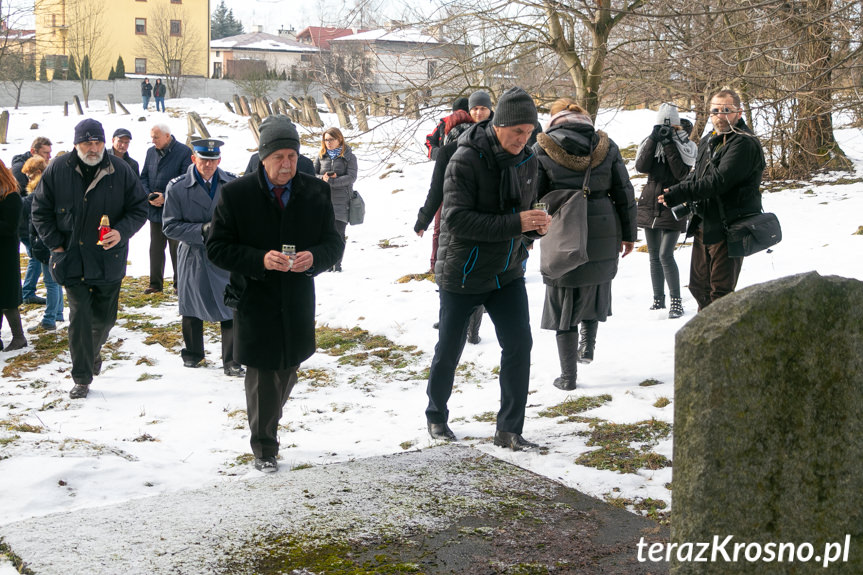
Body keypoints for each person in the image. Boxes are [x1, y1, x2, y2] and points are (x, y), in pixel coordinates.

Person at [207, 115, 343, 473]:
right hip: (255, 297)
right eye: (280, 157)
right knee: (263, 373)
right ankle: (264, 445)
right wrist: (259, 259)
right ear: (263, 157)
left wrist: (315, 257)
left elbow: (334, 243)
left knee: (289, 367)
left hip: (297, 296)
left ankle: (268, 424)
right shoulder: (236, 195)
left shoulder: (315, 191)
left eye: (293, 157)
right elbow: (217, 248)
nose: (287, 165)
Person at [425, 87, 550, 451]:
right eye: (517, 132)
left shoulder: (529, 159)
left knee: (519, 345)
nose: (523, 139)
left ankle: (509, 428)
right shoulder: (465, 158)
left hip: (507, 272)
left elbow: (526, 210)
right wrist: (517, 222)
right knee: (449, 348)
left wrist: (535, 228)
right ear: (499, 124)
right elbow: (457, 220)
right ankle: (436, 415)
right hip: (462, 272)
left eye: (529, 132)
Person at [32, 119, 148, 398]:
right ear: (76, 144)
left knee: (105, 320)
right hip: (71, 259)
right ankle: (82, 377)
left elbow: (139, 207)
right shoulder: (58, 168)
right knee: (80, 319)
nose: (93, 148)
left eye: (97, 142)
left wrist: (121, 232)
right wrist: (56, 246)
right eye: (87, 142)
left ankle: (93, 351)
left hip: (108, 259)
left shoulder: (119, 170)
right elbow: (40, 210)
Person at [534, 98, 636, 391]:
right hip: (604, 227)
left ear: (555, 119)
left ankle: (568, 377)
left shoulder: (542, 146)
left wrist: (535, 229)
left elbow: (534, 194)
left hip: (563, 229)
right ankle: (587, 347)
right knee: (594, 287)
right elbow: (624, 193)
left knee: (564, 300)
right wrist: (628, 234)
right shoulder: (607, 145)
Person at [659, 89, 765, 311]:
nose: (720, 115)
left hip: (729, 227)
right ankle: (702, 339)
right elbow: (697, 176)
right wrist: (674, 191)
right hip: (703, 223)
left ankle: (719, 343)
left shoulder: (744, 143)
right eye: (715, 111)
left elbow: (718, 182)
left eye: (726, 110)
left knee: (721, 294)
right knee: (699, 288)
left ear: (739, 112)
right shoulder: (709, 140)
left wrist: (679, 193)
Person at [162, 139, 244, 377]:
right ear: (193, 159)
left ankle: (232, 360)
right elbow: (170, 227)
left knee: (230, 305)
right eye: (203, 160)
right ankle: (193, 354)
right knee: (191, 305)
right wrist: (201, 230)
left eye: (212, 161)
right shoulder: (176, 187)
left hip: (225, 255)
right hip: (193, 254)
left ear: (219, 160)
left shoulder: (232, 184)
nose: (208, 165)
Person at [414, 103, 480, 339]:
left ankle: (452, 321)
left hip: (452, 211)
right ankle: (469, 328)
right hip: (470, 215)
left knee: (448, 262)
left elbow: (435, 189)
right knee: (473, 270)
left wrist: (423, 219)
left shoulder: (446, 139)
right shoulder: (478, 141)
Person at [635, 103, 697, 319]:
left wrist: (670, 142)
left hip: (673, 203)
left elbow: (681, 173)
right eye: (660, 125)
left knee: (665, 254)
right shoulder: (649, 142)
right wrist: (654, 139)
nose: (664, 129)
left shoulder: (686, 145)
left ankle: (676, 302)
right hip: (649, 203)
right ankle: (658, 300)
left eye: (668, 126)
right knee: (653, 256)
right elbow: (641, 166)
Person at [140, 123, 192, 294]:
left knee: (176, 248)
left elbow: (185, 180)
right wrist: (149, 196)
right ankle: (155, 284)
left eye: (156, 137)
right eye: (152, 137)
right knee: (155, 248)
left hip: (175, 210)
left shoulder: (183, 152)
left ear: (167, 136)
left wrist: (166, 196)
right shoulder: (150, 152)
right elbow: (144, 177)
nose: (152, 140)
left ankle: (179, 283)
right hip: (154, 210)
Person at [21, 156, 64, 333]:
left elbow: (33, 211)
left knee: (51, 281)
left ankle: (49, 319)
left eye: (30, 176)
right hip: (46, 240)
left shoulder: (41, 189)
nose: (28, 180)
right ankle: (58, 313)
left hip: (46, 241)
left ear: (38, 173)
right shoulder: (51, 185)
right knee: (55, 280)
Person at [12, 137, 52, 305]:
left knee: (35, 258)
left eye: (50, 153)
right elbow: (21, 200)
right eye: (45, 153)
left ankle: (27, 291)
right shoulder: (22, 170)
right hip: (25, 225)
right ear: (34, 151)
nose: (48, 157)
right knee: (36, 257)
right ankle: (27, 292)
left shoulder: (36, 167)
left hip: (31, 224)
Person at [313, 127, 357, 272]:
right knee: (323, 234)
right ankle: (326, 264)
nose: (328, 143)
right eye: (326, 140)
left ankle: (337, 264)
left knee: (338, 234)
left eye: (331, 139)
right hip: (323, 201)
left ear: (339, 139)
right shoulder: (320, 156)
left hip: (341, 201)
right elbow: (312, 175)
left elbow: (351, 177)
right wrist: (323, 178)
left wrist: (334, 181)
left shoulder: (349, 157)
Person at [0, 159, 27, 352]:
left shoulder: (11, 197)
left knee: (8, 299)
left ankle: (19, 337)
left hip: (5, 255)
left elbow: (10, 228)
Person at [425, 96, 469, 160]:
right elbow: (429, 141)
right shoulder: (444, 123)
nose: (459, 116)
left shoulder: (475, 125)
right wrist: (440, 153)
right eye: (457, 113)